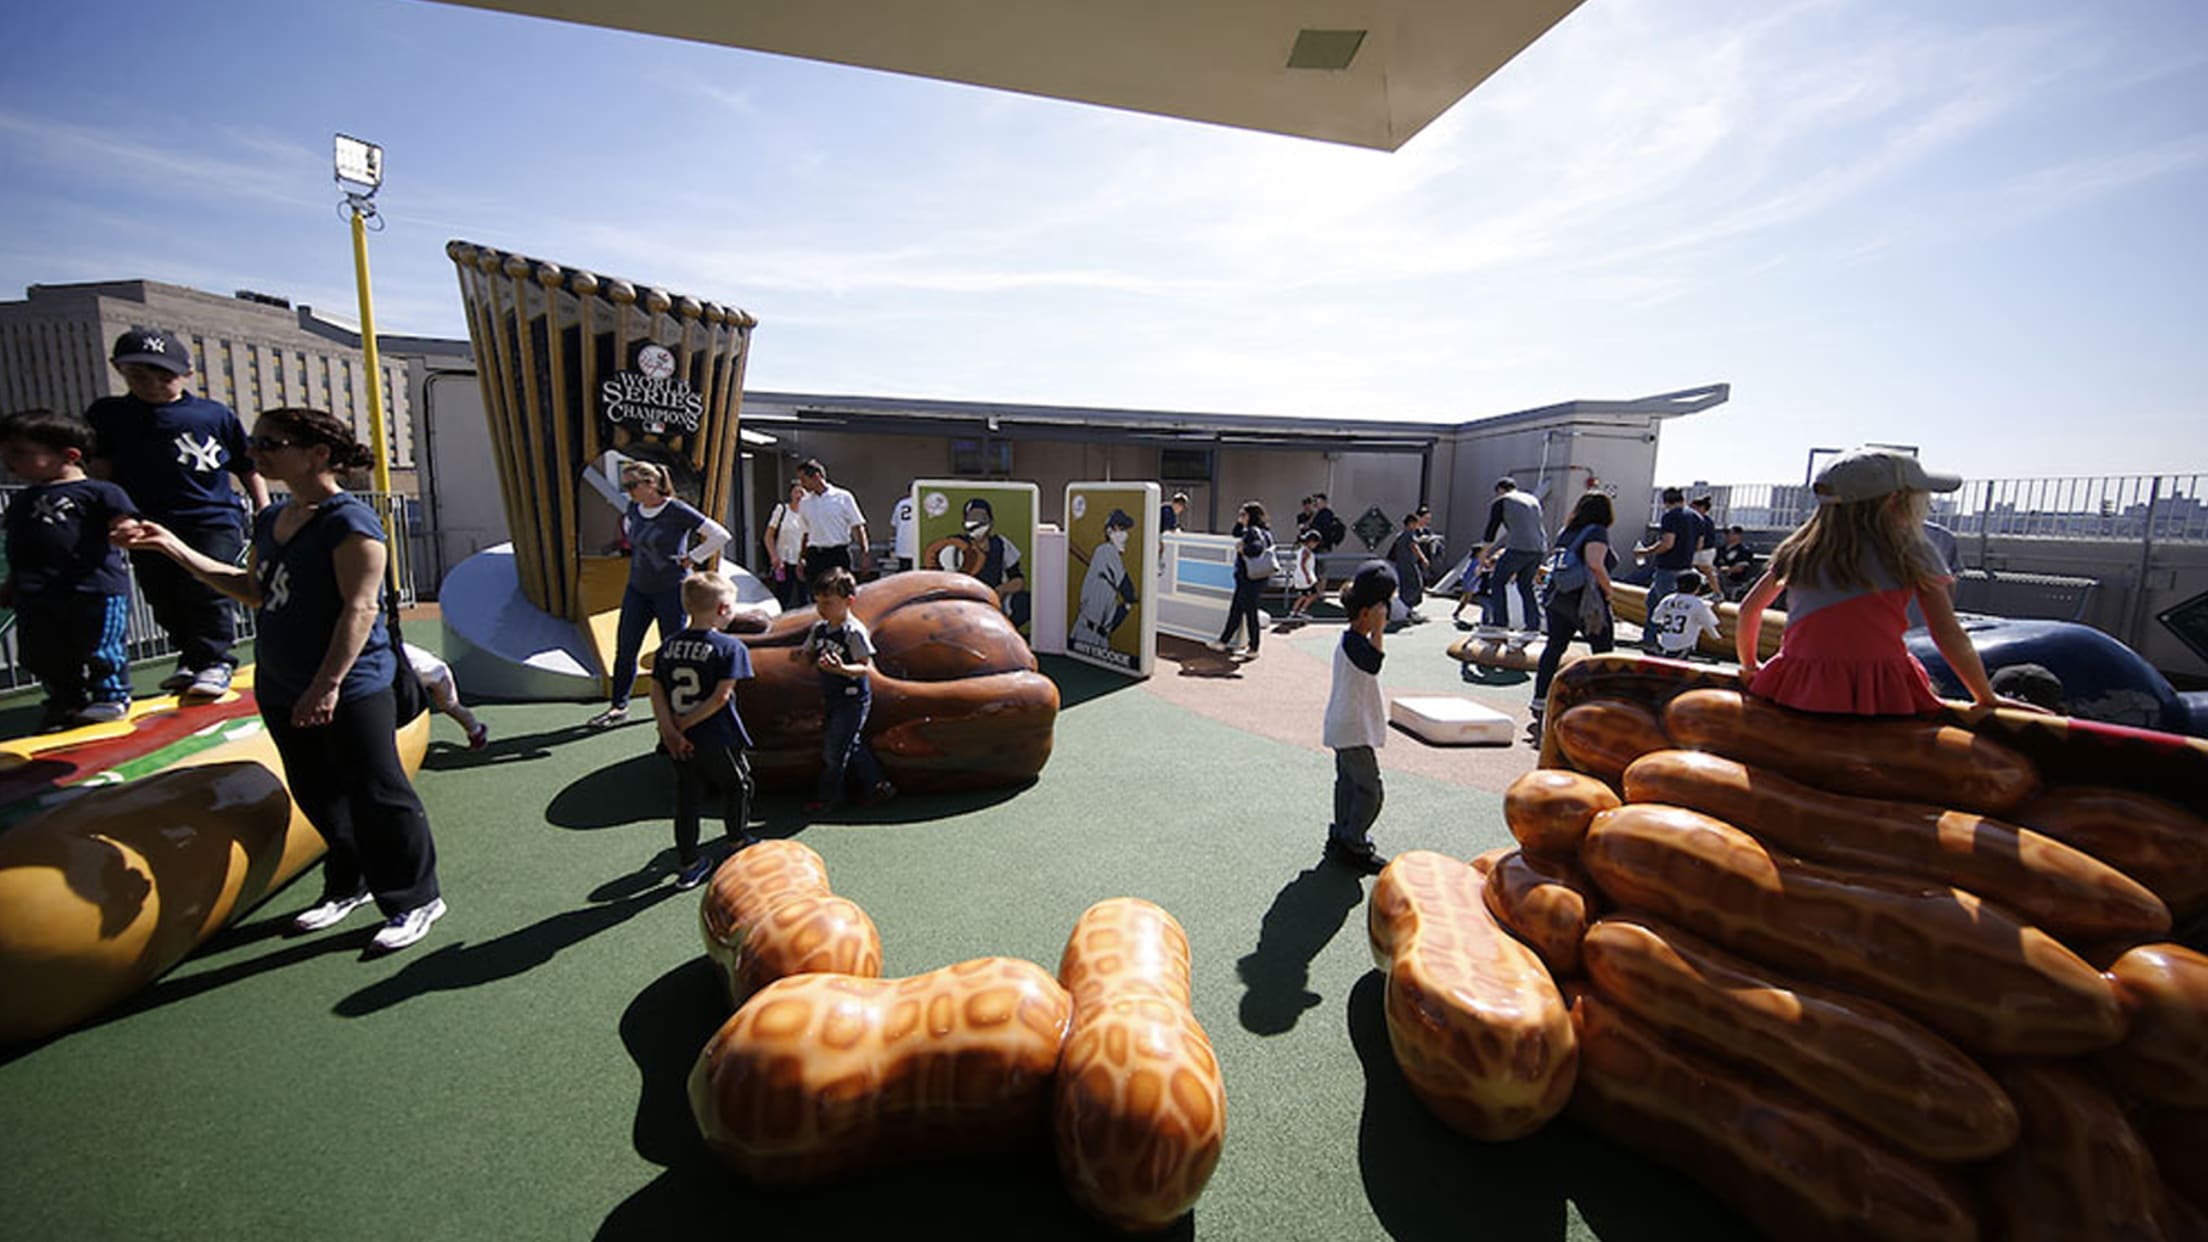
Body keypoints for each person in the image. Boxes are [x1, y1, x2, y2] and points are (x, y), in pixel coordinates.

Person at [123, 406, 446, 952]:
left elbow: (359, 609)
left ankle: (416, 897)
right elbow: (252, 589)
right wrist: (174, 548)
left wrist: (327, 684)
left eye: (271, 443)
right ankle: (349, 883)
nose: (257, 454)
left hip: (352, 684)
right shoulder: (270, 520)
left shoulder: (350, 522)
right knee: (318, 793)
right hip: (281, 681)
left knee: (378, 793)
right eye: (256, 443)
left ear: (318, 453)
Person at [1736, 447, 2033, 717]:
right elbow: (1947, 633)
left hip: (1798, 681)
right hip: (1877, 686)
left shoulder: (1800, 550)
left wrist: (1750, 665)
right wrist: (1985, 695)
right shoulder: (1912, 553)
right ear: (1895, 501)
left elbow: (1749, 609)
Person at [87, 328, 270, 701]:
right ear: (119, 370)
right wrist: (107, 513)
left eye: (163, 376)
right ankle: (190, 655)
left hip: (209, 515)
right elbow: (101, 467)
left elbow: (246, 465)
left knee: (206, 586)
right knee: (161, 590)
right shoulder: (110, 414)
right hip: (145, 518)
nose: (152, 385)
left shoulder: (211, 414)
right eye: (139, 375)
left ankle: (214, 658)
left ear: (186, 373)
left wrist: (263, 508)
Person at [0, 409, 141, 730]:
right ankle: (66, 699)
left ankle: (111, 696)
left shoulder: (100, 491)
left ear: (69, 455)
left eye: (19, 453)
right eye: (6, 454)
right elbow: (21, 547)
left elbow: (123, 519)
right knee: (41, 652)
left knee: (101, 645)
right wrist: (11, 582)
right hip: (36, 592)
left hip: (93, 588)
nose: (9, 462)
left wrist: (127, 529)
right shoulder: (23, 501)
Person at [588, 460, 730, 728]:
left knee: (672, 650)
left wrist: (692, 557)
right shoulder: (634, 508)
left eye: (632, 485)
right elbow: (632, 534)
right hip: (638, 589)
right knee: (626, 647)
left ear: (651, 484)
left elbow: (720, 535)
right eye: (624, 485)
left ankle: (677, 707)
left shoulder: (675, 510)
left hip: (671, 590)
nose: (628, 491)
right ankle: (619, 706)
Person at [650, 571, 759, 890]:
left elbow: (656, 692)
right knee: (737, 785)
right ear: (724, 609)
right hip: (716, 735)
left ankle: (688, 863)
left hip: (676, 740)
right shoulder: (729, 647)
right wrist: (683, 725)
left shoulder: (668, 646)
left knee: (687, 797)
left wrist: (669, 730)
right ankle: (737, 841)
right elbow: (721, 697)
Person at [1323, 561, 1397, 875]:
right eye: (1382, 609)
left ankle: (1342, 833)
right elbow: (1374, 663)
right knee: (1370, 790)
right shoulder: (1357, 643)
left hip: (1344, 726)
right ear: (1365, 613)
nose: (1386, 614)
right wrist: (1379, 630)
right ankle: (1355, 842)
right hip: (1352, 730)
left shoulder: (1350, 639)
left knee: (1348, 784)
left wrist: (1376, 626)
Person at [800, 568, 894, 813]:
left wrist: (841, 668)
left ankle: (829, 798)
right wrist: (803, 657)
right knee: (849, 743)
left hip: (853, 698)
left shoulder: (853, 632)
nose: (822, 608)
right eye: (818, 602)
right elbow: (807, 656)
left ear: (848, 601)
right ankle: (878, 785)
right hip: (831, 697)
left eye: (828, 602)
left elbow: (865, 669)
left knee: (834, 751)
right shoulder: (819, 629)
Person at [1528, 491, 1620, 739]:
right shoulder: (1597, 531)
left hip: (1559, 597)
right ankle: (1602, 701)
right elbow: (1595, 563)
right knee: (1603, 651)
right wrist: (1609, 592)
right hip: (1586, 600)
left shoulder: (1566, 531)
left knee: (1554, 647)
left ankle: (1540, 698)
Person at [1471, 476, 1546, 632]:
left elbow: (1491, 531)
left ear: (1500, 490)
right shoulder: (1532, 499)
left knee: (1497, 581)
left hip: (1518, 547)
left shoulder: (1502, 501)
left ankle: (1500, 622)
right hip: (1539, 548)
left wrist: (1481, 560)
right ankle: (1533, 624)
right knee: (1526, 585)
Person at [1633, 487, 1697, 651]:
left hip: (1668, 567)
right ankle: (1650, 638)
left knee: (1667, 606)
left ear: (1665, 502)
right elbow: (1700, 544)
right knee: (1653, 601)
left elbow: (1667, 543)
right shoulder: (1695, 516)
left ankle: (1671, 645)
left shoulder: (1671, 516)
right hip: (1685, 566)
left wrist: (1645, 552)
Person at [1209, 501, 1274, 656]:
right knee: (1237, 610)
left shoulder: (1253, 531)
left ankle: (1252, 648)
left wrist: (1242, 549)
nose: (1241, 517)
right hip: (1257, 578)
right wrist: (1240, 523)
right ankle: (1224, 641)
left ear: (1250, 516)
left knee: (1248, 612)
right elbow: (1236, 533)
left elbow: (1255, 549)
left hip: (1249, 578)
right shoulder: (1264, 531)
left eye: (1243, 514)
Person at [1070, 507, 1139, 653]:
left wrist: (1127, 606)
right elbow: (1128, 591)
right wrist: (1135, 598)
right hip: (1086, 633)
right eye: (1120, 528)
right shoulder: (1106, 550)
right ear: (1109, 531)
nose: (1125, 534)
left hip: (1102, 638)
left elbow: (1115, 617)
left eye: (1125, 529)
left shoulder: (1107, 561)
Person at [957, 497, 1030, 629]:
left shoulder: (1001, 544)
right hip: (965, 601)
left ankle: (1005, 632)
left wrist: (1001, 590)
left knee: (1024, 601)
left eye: (982, 517)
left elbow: (1018, 580)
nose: (978, 521)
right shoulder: (956, 545)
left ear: (991, 521)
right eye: (973, 517)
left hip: (995, 599)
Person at [401, 642, 488, 750]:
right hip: (418, 678)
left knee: (450, 706)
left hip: (438, 676)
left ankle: (477, 731)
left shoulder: (392, 650)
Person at [796, 458, 868, 583]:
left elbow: (858, 527)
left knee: (839, 592)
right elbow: (805, 533)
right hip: (815, 555)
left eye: (804, 480)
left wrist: (864, 555)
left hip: (837, 554)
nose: (802, 484)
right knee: (816, 593)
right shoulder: (805, 503)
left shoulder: (843, 497)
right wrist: (801, 559)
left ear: (816, 477)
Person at [1646, 567, 1721, 660]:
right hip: (1684, 644)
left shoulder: (1667, 599)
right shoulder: (1698, 603)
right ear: (1697, 588)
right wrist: (1717, 638)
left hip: (1665, 642)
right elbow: (1708, 623)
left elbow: (1655, 618)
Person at [763, 480, 809, 608]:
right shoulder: (782, 510)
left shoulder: (809, 513)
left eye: (802, 492)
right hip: (784, 561)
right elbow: (769, 535)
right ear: (791, 494)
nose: (799, 496)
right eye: (796, 492)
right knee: (782, 596)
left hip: (803, 562)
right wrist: (774, 556)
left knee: (804, 598)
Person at [1387, 511, 1429, 621]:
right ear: (1410, 523)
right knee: (1416, 585)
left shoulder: (1400, 535)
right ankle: (1408, 608)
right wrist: (1423, 558)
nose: (1417, 526)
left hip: (1401, 565)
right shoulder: (1409, 534)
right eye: (1415, 523)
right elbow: (1414, 546)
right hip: (1409, 565)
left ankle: (1406, 610)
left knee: (1405, 586)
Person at [1714, 526, 1757, 602]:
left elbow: (1740, 568)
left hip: (1733, 581)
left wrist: (1728, 570)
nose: (1726, 536)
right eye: (1725, 534)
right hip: (1717, 578)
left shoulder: (1743, 551)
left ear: (1738, 535)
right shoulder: (1721, 549)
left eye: (1729, 533)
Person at [1288, 527, 1323, 619]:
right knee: (1313, 594)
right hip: (1305, 576)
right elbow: (1303, 564)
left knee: (1304, 595)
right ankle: (1301, 610)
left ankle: (1294, 611)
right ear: (1311, 541)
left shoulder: (1302, 549)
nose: (1316, 545)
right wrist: (1307, 576)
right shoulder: (1306, 552)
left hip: (1301, 575)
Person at [1689, 496, 1720, 581]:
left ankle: (1716, 590)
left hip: (1705, 551)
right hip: (1703, 550)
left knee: (1707, 572)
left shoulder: (1703, 521)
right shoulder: (1703, 520)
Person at [891, 490, 918, 572]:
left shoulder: (901, 504)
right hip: (917, 546)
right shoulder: (921, 502)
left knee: (905, 573)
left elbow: (894, 523)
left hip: (903, 546)